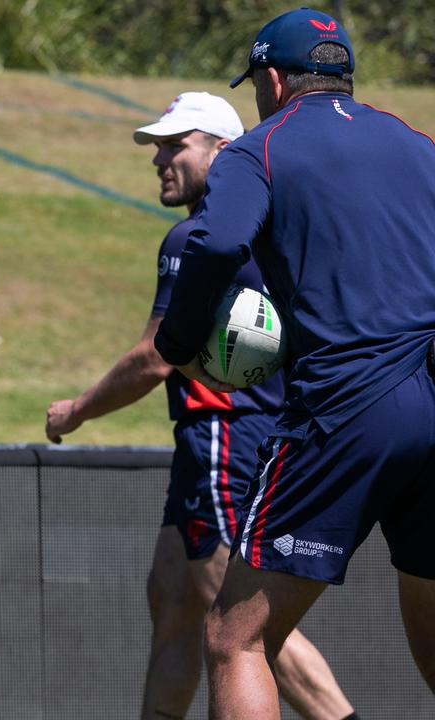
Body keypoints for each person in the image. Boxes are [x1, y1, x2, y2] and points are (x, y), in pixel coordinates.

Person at [154, 7, 435, 719]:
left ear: (272, 81)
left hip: (347, 409)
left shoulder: (260, 148)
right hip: (433, 399)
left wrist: (178, 344)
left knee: (235, 637)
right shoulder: (416, 143)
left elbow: (215, 245)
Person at [45, 91, 355, 719]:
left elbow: (154, 357)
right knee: (174, 597)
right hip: (230, 439)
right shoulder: (275, 231)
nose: (160, 158)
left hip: (225, 436)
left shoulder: (196, 237)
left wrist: (77, 409)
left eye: (176, 143)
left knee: (239, 618)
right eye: (157, 145)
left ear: (224, 150)